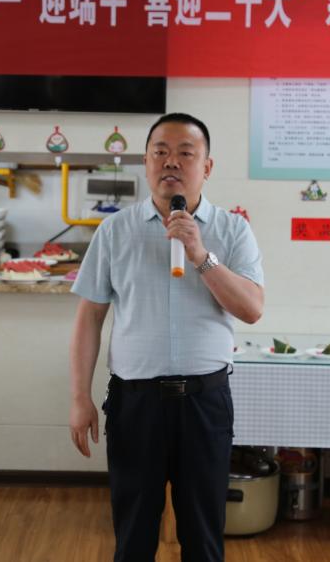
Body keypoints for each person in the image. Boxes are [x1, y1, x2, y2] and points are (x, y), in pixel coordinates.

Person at [68, 113, 265, 561]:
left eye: (185, 153)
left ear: (207, 167)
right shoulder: (115, 230)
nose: (171, 162)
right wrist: (79, 397)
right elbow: (89, 319)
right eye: (160, 152)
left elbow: (252, 309)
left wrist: (200, 254)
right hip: (135, 404)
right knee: (133, 538)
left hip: (204, 404)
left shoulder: (233, 229)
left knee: (204, 540)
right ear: (146, 162)